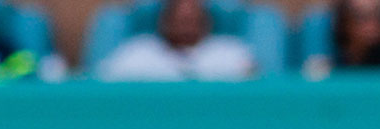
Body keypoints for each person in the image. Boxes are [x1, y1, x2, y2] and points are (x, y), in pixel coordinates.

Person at [91, 0, 259, 79]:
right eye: (180, 20)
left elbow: (257, 86)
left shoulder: (230, 51)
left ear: (206, 22)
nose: (186, 26)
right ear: (163, 22)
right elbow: (104, 85)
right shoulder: (138, 52)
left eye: (192, 20)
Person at [303, 0, 380, 71]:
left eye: (378, 16)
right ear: (345, 22)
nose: (372, 25)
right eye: (362, 17)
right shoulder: (332, 64)